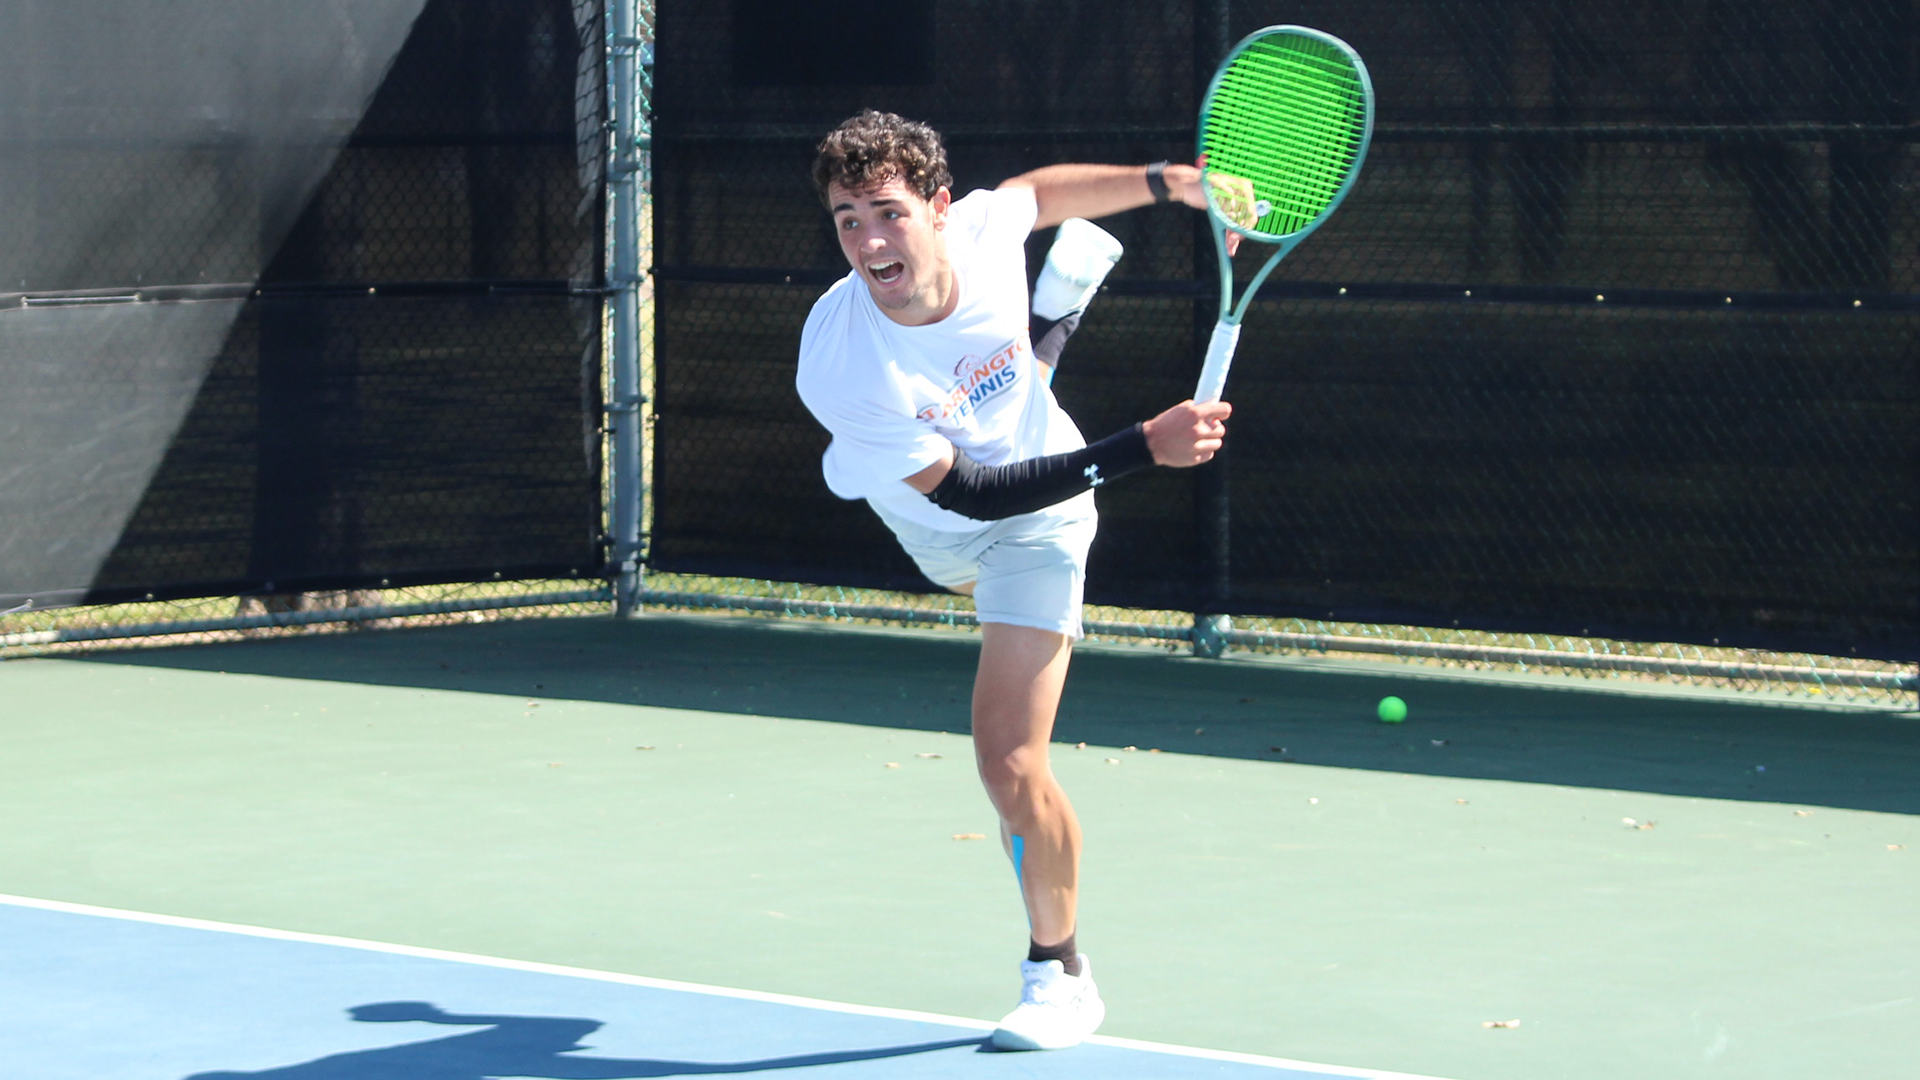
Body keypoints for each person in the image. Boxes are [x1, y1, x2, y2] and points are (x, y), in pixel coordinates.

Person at [794, 110, 1232, 1051]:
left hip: (1044, 527)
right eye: (846, 220)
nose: (869, 240)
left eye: (887, 211)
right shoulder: (839, 359)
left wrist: (1171, 181)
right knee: (991, 400)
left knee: (1009, 765)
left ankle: (1059, 973)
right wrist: (1144, 447)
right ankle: (1055, 316)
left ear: (939, 210)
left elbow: (1039, 191)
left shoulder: (985, 230)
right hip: (948, 520)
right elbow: (975, 496)